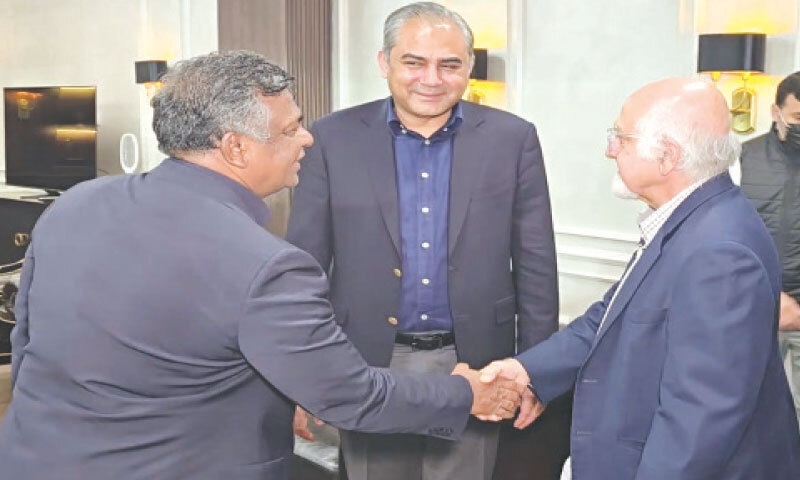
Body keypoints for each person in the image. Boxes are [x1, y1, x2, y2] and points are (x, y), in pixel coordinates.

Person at [0, 50, 526, 480]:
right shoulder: (266, 266)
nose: (307, 138)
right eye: (291, 127)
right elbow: (351, 396)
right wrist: (466, 392)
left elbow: (28, 344)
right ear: (235, 147)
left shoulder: (74, 204)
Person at [286, 3, 565, 479]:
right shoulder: (331, 138)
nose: (431, 79)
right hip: (369, 362)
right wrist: (302, 373)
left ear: (469, 67)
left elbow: (536, 262)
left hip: (476, 362)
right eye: (414, 62)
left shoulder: (511, 138)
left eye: (449, 64)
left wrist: (536, 371)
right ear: (385, 63)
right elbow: (305, 266)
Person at [481, 77, 800, 479]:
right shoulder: (691, 220)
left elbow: (698, 422)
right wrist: (528, 371)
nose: (609, 150)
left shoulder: (719, 252)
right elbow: (610, 316)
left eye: (621, 138)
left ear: (666, 156)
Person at [740, 71, 800, 426]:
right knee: (750, 412)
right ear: (776, 112)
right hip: (754, 306)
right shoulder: (741, 160)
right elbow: (727, 236)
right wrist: (770, 295)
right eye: (798, 117)